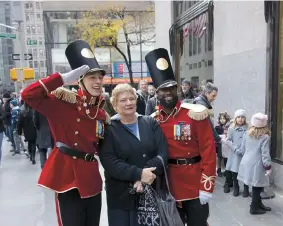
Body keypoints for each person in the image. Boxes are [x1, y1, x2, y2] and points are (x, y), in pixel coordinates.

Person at [21, 40, 109, 226]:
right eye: (92, 77)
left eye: (100, 77)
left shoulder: (101, 113)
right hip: (67, 176)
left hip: (91, 177)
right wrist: (61, 79)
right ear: (80, 81)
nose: (98, 81)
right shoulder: (64, 101)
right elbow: (28, 95)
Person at [145, 48, 216, 226]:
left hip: (194, 184)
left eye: (172, 88)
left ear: (178, 89)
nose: (168, 92)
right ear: (156, 93)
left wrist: (206, 186)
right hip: (167, 186)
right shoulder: (153, 121)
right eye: (163, 89)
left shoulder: (195, 114)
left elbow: (208, 150)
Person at [99, 83, 168, 226]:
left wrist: (143, 178)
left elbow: (162, 154)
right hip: (121, 197)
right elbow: (109, 161)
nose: (129, 103)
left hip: (152, 192)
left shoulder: (150, 122)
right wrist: (138, 173)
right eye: (123, 100)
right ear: (114, 104)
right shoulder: (109, 129)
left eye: (131, 98)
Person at [237, 113, 272, 215]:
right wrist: (268, 167)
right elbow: (265, 154)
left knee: (256, 184)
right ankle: (254, 207)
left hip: (247, 162)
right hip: (258, 164)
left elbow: (242, 149)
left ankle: (258, 203)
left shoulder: (246, 134)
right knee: (257, 185)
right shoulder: (265, 137)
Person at [223, 109, 248, 197]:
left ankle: (246, 188)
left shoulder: (248, 129)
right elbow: (228, 140)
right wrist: (235, 149)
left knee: (246, 170)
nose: (240, 119)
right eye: (238, 117)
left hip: (245, 153)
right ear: (235, 118)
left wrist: (245, 149)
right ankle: (236, 187)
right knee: (235, 171)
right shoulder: (231, 128)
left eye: (242, 117)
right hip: (235, 153)